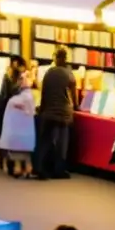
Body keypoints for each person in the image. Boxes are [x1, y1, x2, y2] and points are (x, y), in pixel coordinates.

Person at [36, 47, 77, 179]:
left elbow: (43, 93)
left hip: (48, 112)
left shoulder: (48, 73)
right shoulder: (69, 74)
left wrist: (42, 109)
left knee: (45, 140)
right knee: (62, 143)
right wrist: (75, 106)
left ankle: (40, 167)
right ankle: (59, 170)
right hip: (63, 113)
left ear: (55, 58)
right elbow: (73, 95)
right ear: (65, 59)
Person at [0, 74, 37, 177]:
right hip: (25, 131)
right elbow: (31, 111)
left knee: (15, 150)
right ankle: (25, 169)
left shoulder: (13, 100)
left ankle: (17, 169)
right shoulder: (29, 96)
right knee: (24, 151)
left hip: (16, 131)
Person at [0, 56, 24, 170]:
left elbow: (3, 95)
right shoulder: (16, 78)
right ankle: (8, 162)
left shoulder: (8, 76)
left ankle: (4, 160)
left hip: (3, 109)